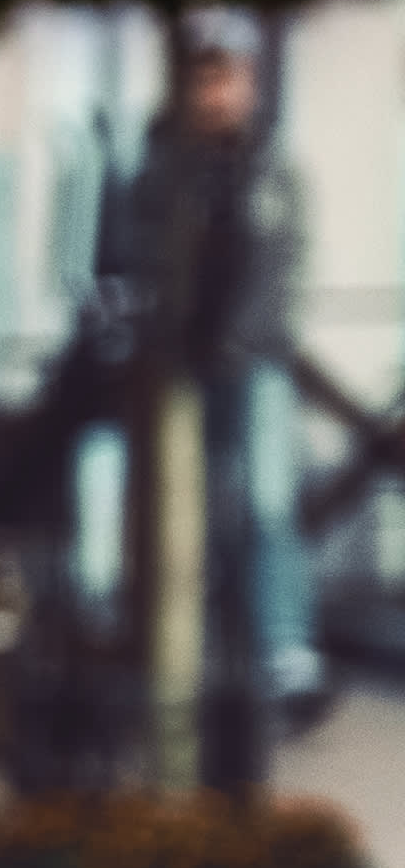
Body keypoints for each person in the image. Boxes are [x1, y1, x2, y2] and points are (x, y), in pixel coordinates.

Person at [105, 36, 320, 746]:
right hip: (178, 364)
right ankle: (177, 652)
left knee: (265, 505)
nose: (219, 97)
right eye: (206, 84)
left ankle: (284, 653)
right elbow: (135, 257)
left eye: (229, 83)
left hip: (254, 362)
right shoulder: (162, 173)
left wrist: (241, 341)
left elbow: (282, 268)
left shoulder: (269, 169)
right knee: (178, 511)